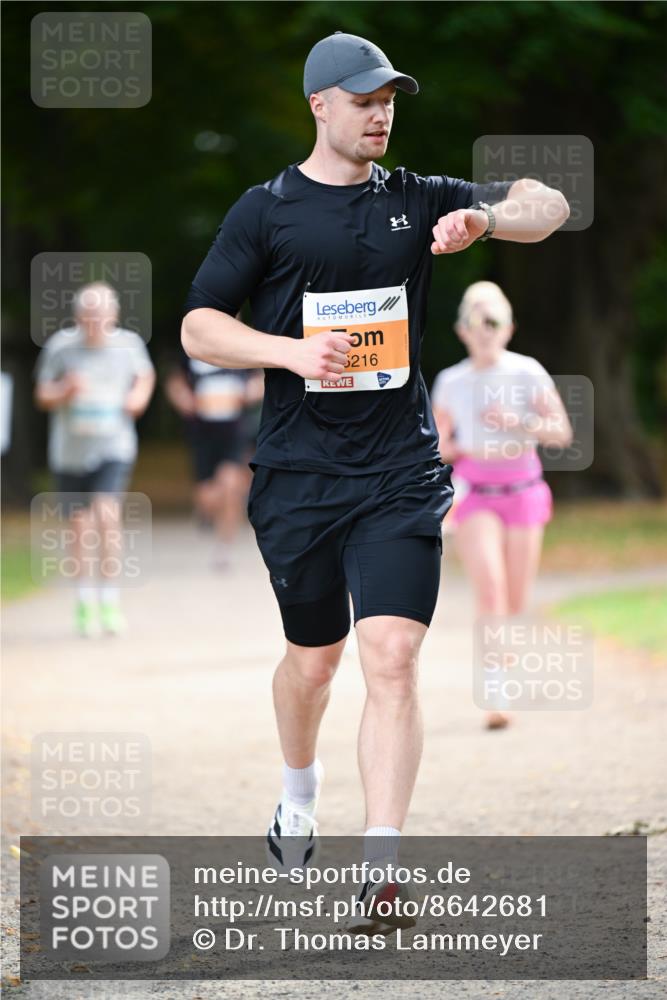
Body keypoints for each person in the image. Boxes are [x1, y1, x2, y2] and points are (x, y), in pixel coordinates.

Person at [181, 31, 569, 931]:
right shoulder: (267, 210)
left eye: (388, 99)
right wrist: (288, 352)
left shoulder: (418, 198)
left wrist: (485, 221)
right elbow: (200, 326)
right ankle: (298, 792)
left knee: (390, 657)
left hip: (399, 471)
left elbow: (547, 204)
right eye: (362, 100)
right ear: (318, 105)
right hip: (297, 476)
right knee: (313, 664)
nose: (379, 114)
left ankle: (381, 869)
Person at [431, 282, 573, 730]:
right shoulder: (451, 381)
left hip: (524, 489)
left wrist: (518, 421)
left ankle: (505, 671)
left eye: (493, 320)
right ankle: (496, 688)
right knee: (490, 590)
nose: (484, 329)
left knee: (515, 599)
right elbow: (437, 444)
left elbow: (561, 432)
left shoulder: (527, 372)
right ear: (462, 330)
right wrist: (455, 447)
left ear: (509, 328)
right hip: (477, 493)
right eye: (475, 320)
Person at [34, 281, 155, 636]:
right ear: (77, 317)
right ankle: (85, 601)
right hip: (69, 453)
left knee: (107, 515)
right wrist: (64, 391)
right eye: (87, 316)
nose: (94, 322)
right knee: (80, 528)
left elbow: (145, 376)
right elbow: (42, 394)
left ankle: (110, 600)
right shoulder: (60, 346)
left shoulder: (129, 345)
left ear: (113, 315)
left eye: (100, 315)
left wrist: (138, 398)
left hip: (113, 447)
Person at [165, 348, 264, 568]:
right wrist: (183, 398)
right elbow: (175, 382)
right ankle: (208, 512)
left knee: (230, 485)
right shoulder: (192, 350)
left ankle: (224, 547)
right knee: (207, 497)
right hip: (202, 433)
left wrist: (250, 392)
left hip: (235, 431)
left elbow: (260, 381)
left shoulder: (239, 349)